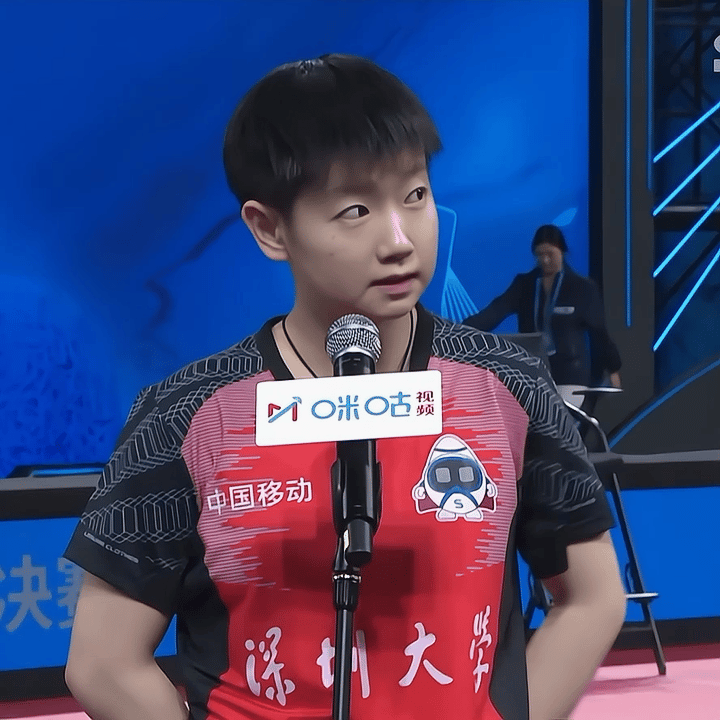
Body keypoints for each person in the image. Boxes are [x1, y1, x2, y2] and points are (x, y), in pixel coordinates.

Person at [63, 55, 626, 720]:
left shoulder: (508, 383)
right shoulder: (183, 417)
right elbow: (103, 663)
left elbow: (592, 597)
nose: (399, 240)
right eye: (356, 209)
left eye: (415, 195)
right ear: (270, 228)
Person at [464, 225, 622, 408]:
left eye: (550, 254)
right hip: (532, 376)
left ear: (562, 251)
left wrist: (613, 368)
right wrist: (460, 331)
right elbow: (493, 313)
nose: (545, 260)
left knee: (558, 420)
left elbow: (599, 332)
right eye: (539, 255)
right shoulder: (524, 285)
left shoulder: (582, 288)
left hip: (570, 377)